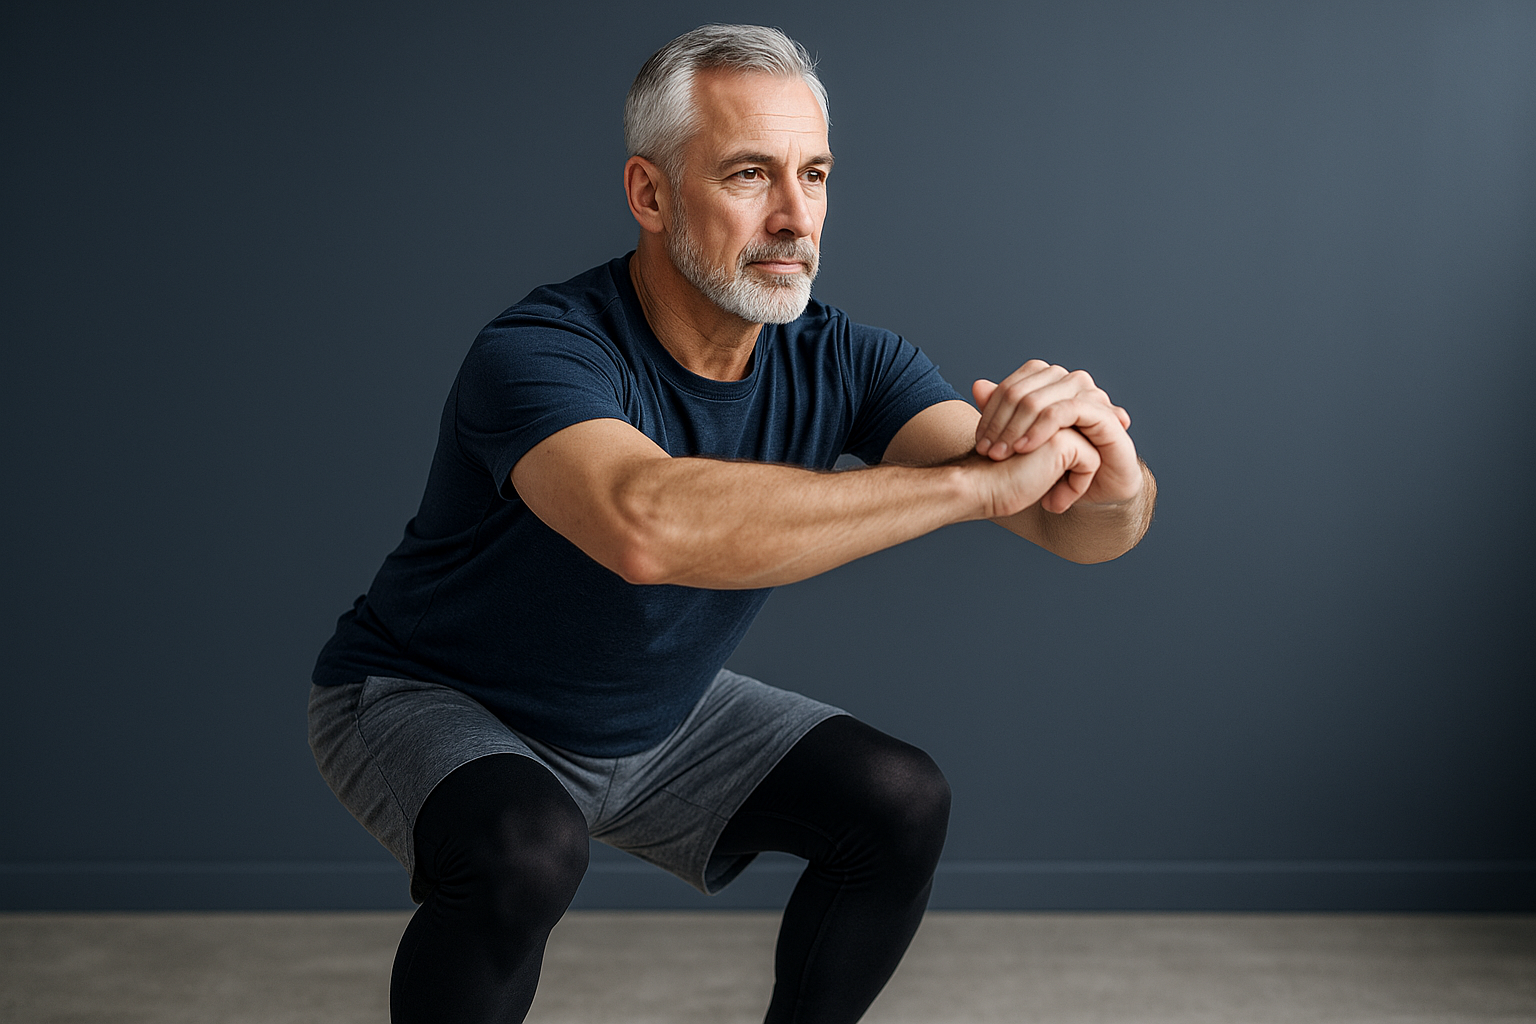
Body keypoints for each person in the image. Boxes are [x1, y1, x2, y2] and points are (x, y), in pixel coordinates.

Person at [309, 23, 1154, 1024]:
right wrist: (974, 486)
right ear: (651, 195)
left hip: (656, 721)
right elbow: (646, 526)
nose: (796, 218)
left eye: (817, 174)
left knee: (900, 799)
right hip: (432, 698)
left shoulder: (846, 360)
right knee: (524, 849)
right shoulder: (541, 351)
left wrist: (1106, 463)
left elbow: (1081, 529)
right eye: (751, 174)